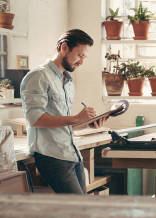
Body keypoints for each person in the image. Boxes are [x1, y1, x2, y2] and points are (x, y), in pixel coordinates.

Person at [21, 29, 109, 194]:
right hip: (52, 157)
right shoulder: (38, 76)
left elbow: (63, 124)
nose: (81, 61)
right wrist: (76, 118)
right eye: (80, 55)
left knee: (81, 210)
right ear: (64, 47)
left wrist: (87, 125)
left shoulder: (68, 81)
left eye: (84, 57)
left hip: (72, 154)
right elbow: (34, 119)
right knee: (77, 211)